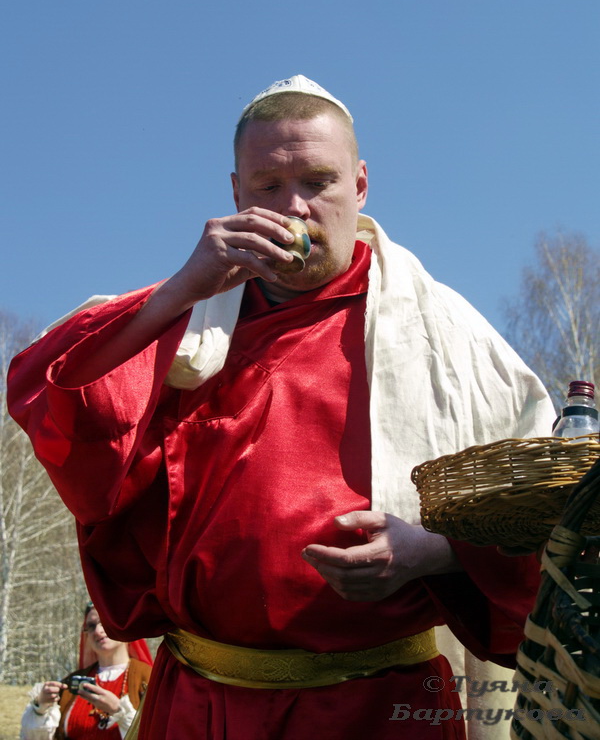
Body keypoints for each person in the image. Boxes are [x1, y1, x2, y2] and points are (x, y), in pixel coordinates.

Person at [8, 75, 557, 740]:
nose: (294, 207)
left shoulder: (453, 338)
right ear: (235, 193)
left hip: (380, 708)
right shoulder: (185, 322)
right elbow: (55, 400)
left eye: (318, 181)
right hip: (200, 706)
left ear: (360, 185)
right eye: (268, 186)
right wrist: (179, 291)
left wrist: (437, 552)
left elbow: (551, 523)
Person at [20, 603, 153, 739]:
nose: (98, 631)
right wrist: (41, 708)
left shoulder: (149, 678)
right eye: (91, 626)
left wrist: (119, 711)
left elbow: (157, 732)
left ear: (122, 625)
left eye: (104, 622)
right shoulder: (71, 684)